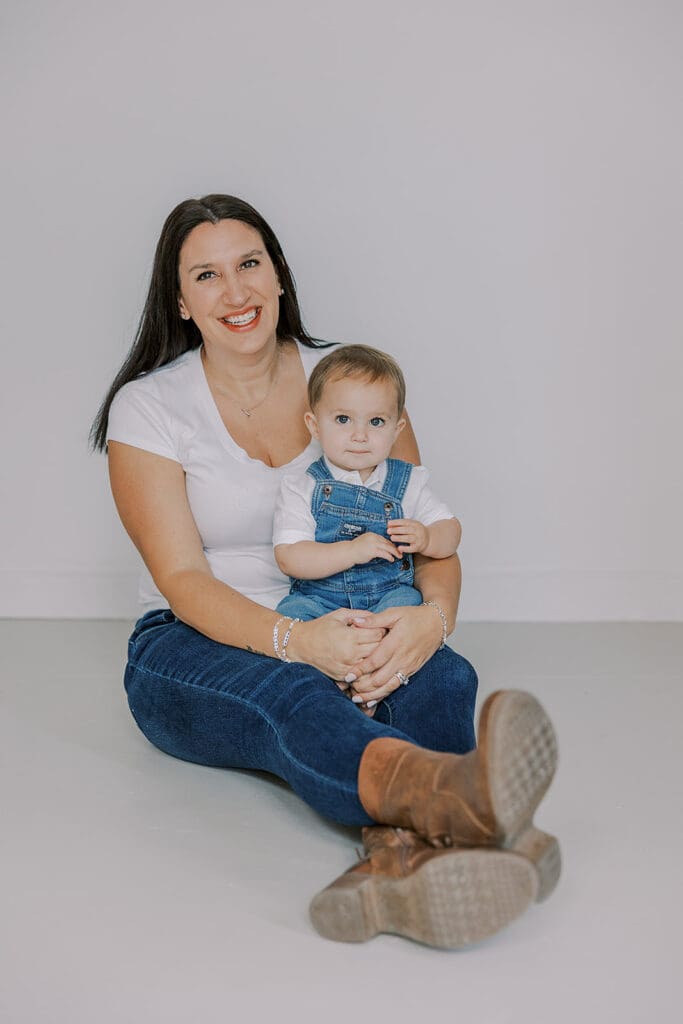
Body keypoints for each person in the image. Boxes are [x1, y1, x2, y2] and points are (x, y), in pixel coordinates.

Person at [91, 193, 560, 949]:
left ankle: (392, 871)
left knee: (442, 676)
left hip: (357, 614)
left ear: (279, 275)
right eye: (206, 275)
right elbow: (182, 578)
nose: (235, 291)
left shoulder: (353, 382)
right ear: (180, 300)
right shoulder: (149, 409)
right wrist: (299, 643)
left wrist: (426, 622)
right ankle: (476, 817)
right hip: (194, 642)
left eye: (249, 264)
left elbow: (426, 536)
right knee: (300, 696)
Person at [273, 345, 461, 643]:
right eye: (343, 419)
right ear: (314, 425)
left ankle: (369, 659)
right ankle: (335, 666)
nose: (360, 435)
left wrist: (427, 537)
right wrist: (351, 551)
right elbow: (290, 557)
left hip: (387, 599)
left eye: (376, 422)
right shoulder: (303, 487)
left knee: (409, 607)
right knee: (292, 615)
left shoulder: (407, 482)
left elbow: (451, 531)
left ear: (397, 429)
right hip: (320, 602)